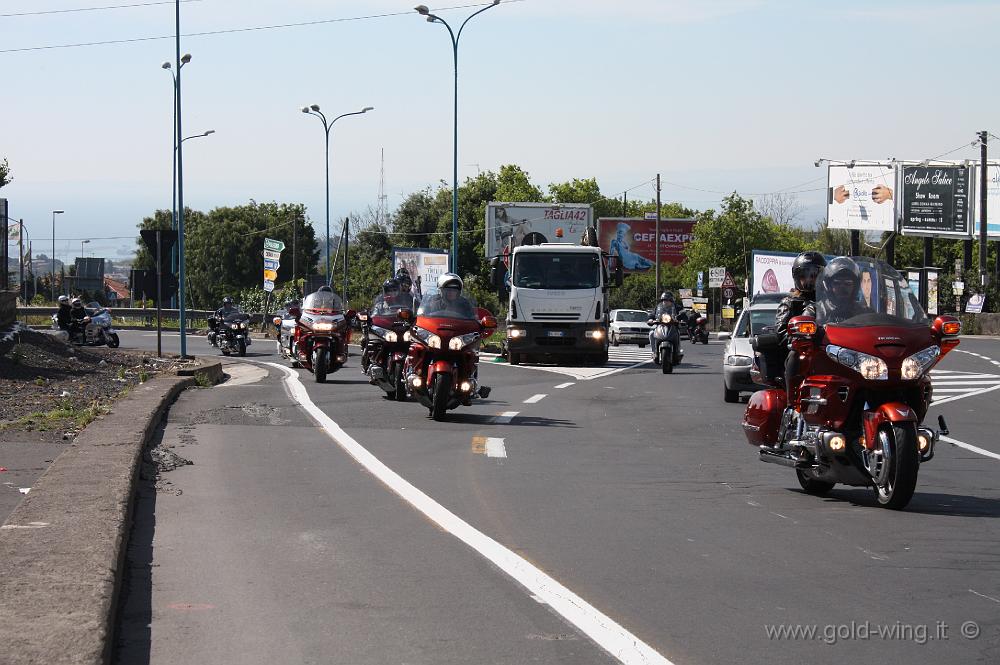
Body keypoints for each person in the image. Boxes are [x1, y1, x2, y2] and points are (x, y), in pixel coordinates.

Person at [774, 251, 826, 409]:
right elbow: (781, 331)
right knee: (795, 354)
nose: (810, 279)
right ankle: (793, 401)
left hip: (827, 347)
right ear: (798, 277)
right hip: (803, 350)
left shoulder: (830, 301)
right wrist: (797, 339)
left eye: (814, 275)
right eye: (805, 275)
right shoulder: (790, 302)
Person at [815, 256, 871, 325]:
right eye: (837, 283)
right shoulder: (815, 311)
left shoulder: (865, 312)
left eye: (848, 283)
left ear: (855, 286)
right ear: (828, 285)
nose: (842, 288)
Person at [648, 291, 680, 358]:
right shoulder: (658, 307)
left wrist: (681, 319)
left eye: (668, 300)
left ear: (671, 300)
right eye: (664, 300)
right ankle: (654, 352)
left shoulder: (677, 307)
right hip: (660, 325)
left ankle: (677, 351)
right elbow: (653, 314)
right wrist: (651, 319)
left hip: (672, 325)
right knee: (651, 333)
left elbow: (683, 314)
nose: (666, 302)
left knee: (678, 333)